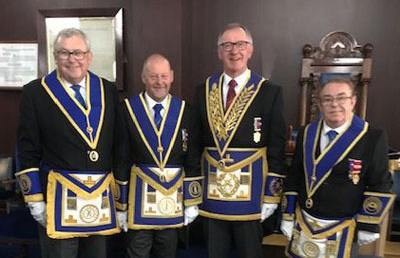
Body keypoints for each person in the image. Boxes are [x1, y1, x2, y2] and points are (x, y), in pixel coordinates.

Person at [15, 28, 120, 258]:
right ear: (55, 56)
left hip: (99, 200)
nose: (72, 60)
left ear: (89, 56)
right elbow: (27, 149)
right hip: (57, 201)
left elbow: (119, 147)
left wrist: (121, 198)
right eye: (64, 53)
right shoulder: (35, 92)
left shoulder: (108, 91)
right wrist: (35, 199)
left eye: (78, 53)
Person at [190, 23, 286, 258]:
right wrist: (192, 193)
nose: (235, 51)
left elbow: (277, 145)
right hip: (213, 195)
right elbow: (195, 144)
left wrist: (272, 195)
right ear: (219, 52)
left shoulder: (269, 91)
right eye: (228, 45)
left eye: (240, 44)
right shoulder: (203, 90)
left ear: (250, 50)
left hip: (251, 196)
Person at [281, 78, 394, 258]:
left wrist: (369, 224)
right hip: (304, 222)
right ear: (319, 104)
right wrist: (287, 214)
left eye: (341, 98)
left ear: (353, 101)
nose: (334, 104)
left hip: (344, 226)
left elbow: (379, 183)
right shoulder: (306, 133)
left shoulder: (372, 137)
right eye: (327, 99)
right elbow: (294, 177)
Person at [113, 54, 202, 258]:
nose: (159, 82)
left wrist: (192, 201)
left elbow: (192, 157)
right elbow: (121, 158)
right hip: (137, 205)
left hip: (172, 203)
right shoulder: (126, 110)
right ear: (144, 78)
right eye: (153, 76)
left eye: (164, 76)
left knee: (167, 254)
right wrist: (122, 205)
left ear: (172, 77)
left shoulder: (186, 111)